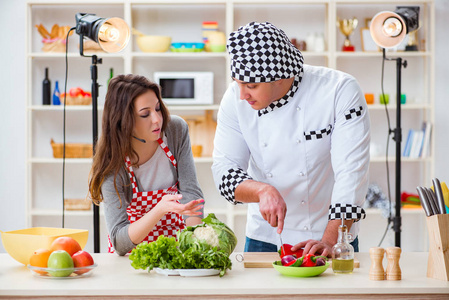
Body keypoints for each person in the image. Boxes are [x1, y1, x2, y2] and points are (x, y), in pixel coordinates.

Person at [212, 22, 370, 256]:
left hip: (330, 231)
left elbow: (352, 175)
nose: (242, 94)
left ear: (280, 77)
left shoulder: (339, 90)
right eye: (238, 83)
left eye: (252, 86)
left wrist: (330, 241)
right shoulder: (235, 99)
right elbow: (224, 172)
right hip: (264, 236)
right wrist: (262, 191)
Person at [88, 74, 204, 255]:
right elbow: (119, 241)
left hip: (177, 249)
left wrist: (195, 243)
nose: (157, 119)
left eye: (158, 108)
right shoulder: (113, 163)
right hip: (133, 257)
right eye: (145, 114)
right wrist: (160, 209)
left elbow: (191, 193)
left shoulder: (175, 131)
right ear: (123, 121)